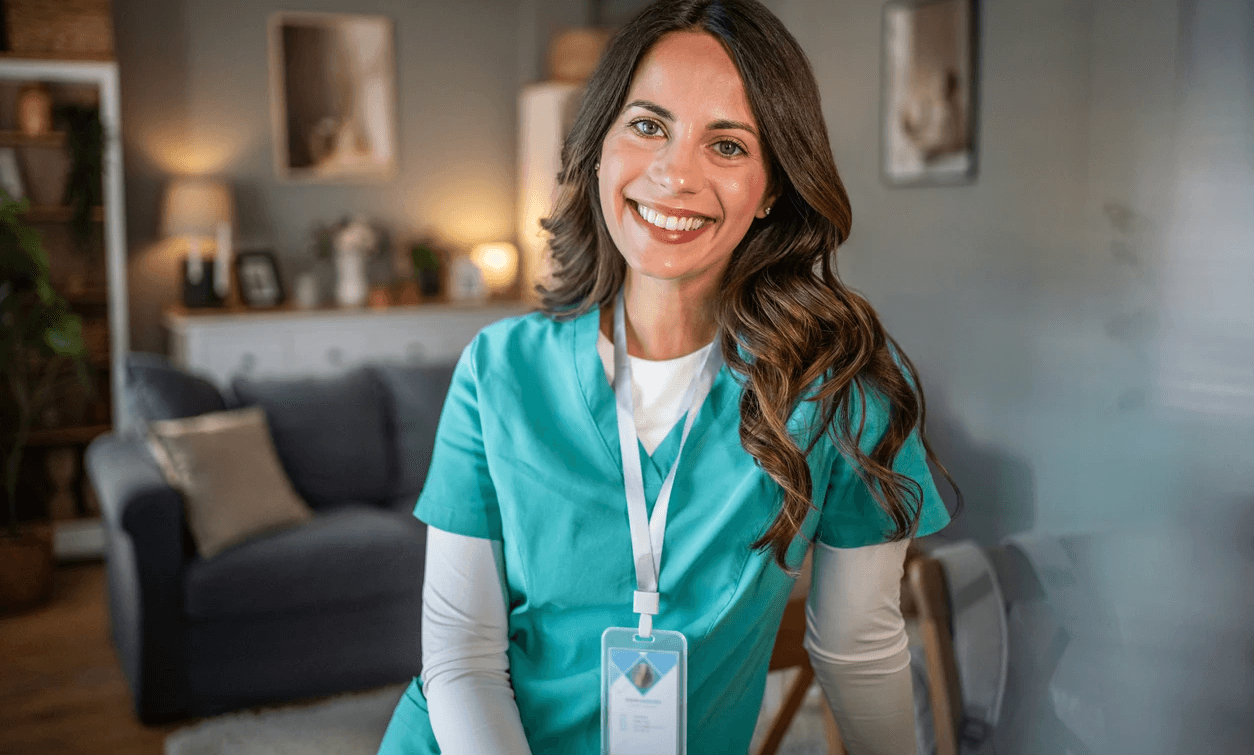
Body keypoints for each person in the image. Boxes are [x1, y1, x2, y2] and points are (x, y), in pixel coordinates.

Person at [378, 1, 957, 753]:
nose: (675, 173)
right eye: (648, 126)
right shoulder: (498, 371)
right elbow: (461, 659)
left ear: (774, 186)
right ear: (598, 149)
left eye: (727, 145)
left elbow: (856, 645)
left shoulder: (840, 385)